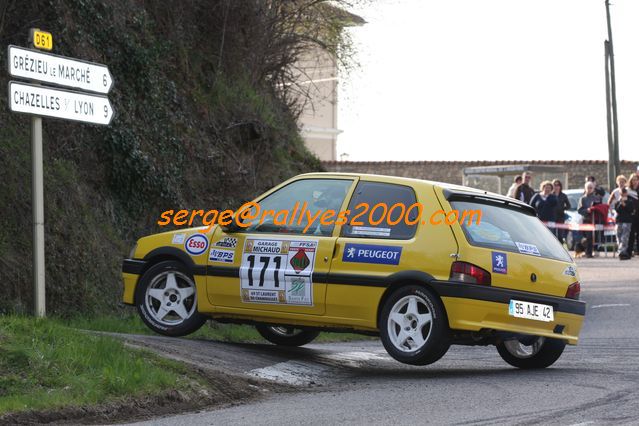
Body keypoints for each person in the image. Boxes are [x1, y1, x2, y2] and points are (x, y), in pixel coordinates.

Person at [578, 181, 602, 258]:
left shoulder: (597, 197)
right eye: (588, 188)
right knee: (588, 237)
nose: (589, 189)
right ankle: (588, 253)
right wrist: (587, 210)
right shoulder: (583, 198)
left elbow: (601, 208)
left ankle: (596, 250)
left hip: (596, 220)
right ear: (585, 188)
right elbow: (579, 210)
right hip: (587, 220)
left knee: (596, 237)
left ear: (593, 188)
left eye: (591, 188)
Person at [613, 187, 636, 260]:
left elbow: (630, 210)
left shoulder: (630, 201)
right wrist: (620, 203)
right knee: (619, 237)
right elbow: (617, 210)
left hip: (627, 221)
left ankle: (623, 252)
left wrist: (624, 204)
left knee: (625, 238)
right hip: (619, 221)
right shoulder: (617, 202)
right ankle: (621, 251)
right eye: (621, 193)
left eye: (624, 193)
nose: (623, 194)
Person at [627, 173, 639, 256]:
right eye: (633, 180)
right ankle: (629, 251)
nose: (635, 182)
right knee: (631, 234)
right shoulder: (628, 191)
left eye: (636, 180)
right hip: (631, 215)